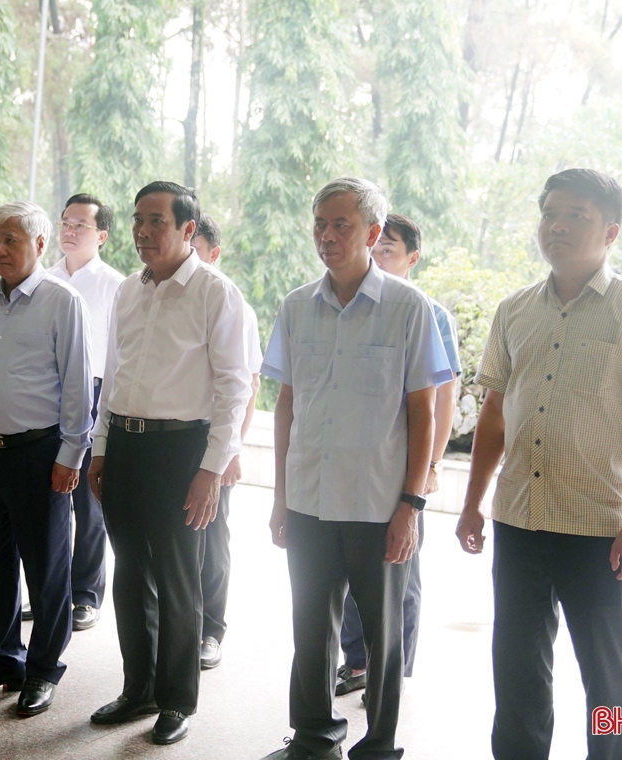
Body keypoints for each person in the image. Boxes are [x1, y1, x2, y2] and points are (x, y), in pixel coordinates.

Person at [456, 169, 622, 760]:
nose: (556, 224)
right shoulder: (514, 309)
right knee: (518, 674)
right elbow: (495, 416)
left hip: (600, 527)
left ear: (611, 231)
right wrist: (474, 501)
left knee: (611, 680)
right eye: (549, 212)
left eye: (576, 214)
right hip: (520, 520)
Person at [260, 178, 451, 760]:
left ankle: (381, 745)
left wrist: (410, 507)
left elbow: (422, 412)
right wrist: (279, 498)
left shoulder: (409, 308)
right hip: (310, 500)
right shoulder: (297, 306)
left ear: (372, 233)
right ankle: (314, 736)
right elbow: (288, 405)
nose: (327, 236)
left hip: (377, 504)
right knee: (310, 627)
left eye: (341, 225)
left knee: (382, 633)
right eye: (320, 224)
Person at [89, 182, 251, 746]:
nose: (142, 231)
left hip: (183, 450)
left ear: (188, 229)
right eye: (138, 219)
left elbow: (234, 389)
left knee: (180, 579)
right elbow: (113, 374)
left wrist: (211, 470)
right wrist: (102, 446)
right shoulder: (128, 292)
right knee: (131, 574)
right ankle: (140, 689)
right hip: (128, 447)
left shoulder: (216, 293)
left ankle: (176, 701)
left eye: (156, 220)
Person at [0, 201, 92, 718]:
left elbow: (77, 384)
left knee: (47, 565)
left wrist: (71, 453)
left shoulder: (62, 301)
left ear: (40, 245)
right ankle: (5, 657)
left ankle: (45, 667)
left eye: (11, 239)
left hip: (41, 453)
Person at [336, 213, 462, 698]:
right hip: (352, 465)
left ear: (413, 258)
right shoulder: (349, 303)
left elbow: (443, 397)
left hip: (403, 468)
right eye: (376, 246)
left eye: (389, 248)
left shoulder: (428, 313)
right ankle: (358, 661)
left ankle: (393, 669)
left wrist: (430, 465)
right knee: (348, 569)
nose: (379, 255)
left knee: (399, 567)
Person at [46, 193, 125, 632]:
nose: (70, 230)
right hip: (47, 394)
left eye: (80, 224)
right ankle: (50, 591)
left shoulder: (115, 285)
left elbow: (119, 355)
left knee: (87, 501)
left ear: (102, 235)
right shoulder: (44, 278)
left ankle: (86, 595)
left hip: (95, 392)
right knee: (48, 501)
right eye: (65, 222)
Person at [188, 212, 262, 670]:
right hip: (174, 440)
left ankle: (211, 630)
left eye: (194, 250)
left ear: (214, 254)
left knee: (213, 540)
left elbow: (247, 386)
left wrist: (230, 449)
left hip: (216, 444)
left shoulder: (232, 302)